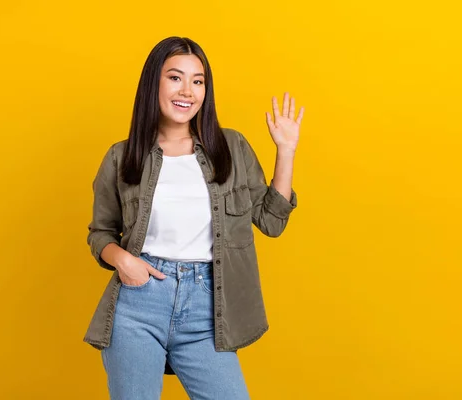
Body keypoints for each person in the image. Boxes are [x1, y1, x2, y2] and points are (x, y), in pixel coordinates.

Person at [83, 36, 303, 400]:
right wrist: (123, 260)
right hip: (140, 303)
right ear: (153, 83)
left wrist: (286, 152)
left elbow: (271, 221)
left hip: (208, 307)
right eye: (175, 78)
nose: (188, 90)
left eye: (198, 81)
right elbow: (101, 233)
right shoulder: (122, 158)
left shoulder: (231, 147)